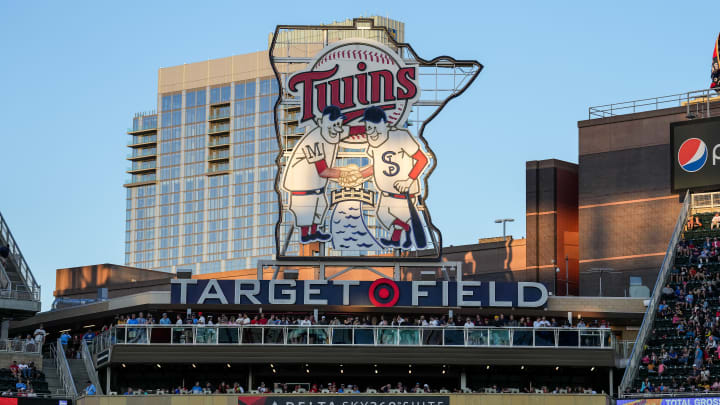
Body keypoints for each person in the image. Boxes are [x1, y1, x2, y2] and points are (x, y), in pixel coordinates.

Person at [358, 106, 429, 249]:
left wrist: (408, 180)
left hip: (403, 194)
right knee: (382, 215)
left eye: (373, 127)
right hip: (386, 193)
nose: (370, 132)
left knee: (392, 216)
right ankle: (399, 237)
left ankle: (402, 235)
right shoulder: (374, 144)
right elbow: (377, 167)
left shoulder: (400, 136)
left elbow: (422, 160)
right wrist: (359, 176)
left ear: (383, 124)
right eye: (368, 128)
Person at [282, 105, 348, 243]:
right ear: (324, 122)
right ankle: (306, 235)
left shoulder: (332, 132)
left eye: (339, 123)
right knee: (306, 212)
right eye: (334, 123)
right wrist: (347, 173)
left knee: (321, 206)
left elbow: (353, 130)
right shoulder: (313, 140)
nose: (338, 127)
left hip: (316, 187)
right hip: (302, 187)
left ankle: (314, 232)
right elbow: (323, 171)